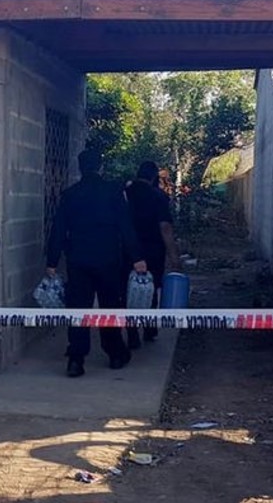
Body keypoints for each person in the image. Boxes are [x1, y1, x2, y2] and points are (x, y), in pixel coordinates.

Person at [46, 149, 147, 378]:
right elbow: (125, 226)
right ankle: (115, 354)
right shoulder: (113, 192)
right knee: (109, 306)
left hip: (78, 260)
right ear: (101, 167)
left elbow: (58, 229)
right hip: (108, 259)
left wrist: (52, 261)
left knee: (78, 309)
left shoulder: (70, 195)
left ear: (80, 168)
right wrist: (137, 257)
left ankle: (76, 359)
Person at [125, 161, 183, 345]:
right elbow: (165, 227)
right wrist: (173, 255)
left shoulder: (125, 193)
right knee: (151, 288)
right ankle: (149, 329)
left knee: (128, 290)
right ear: (153, 176)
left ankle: (132, 333)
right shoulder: (158, 196)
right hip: (153, 250)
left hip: (127, 249)